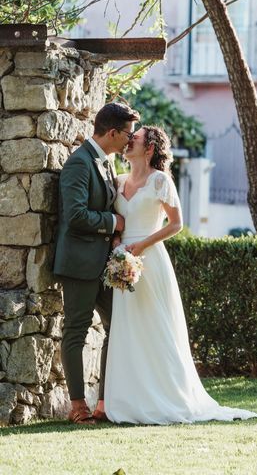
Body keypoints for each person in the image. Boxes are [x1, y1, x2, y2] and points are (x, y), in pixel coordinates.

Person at [104, 126, 257, 424]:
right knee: (128, 330)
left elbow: (176, 224)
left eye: (135, 138)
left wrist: (141, 245)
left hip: (150, 260)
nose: (129, 141)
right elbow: (118, 221)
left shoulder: (160, 181)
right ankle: (130, 400)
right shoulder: (119, 180)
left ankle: (169, 397)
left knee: (156, 329)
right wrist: (118, 245)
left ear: (149, 148)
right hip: (122, 260)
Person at [53, 102, 140, 425]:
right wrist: (112, 223)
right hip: (78, 264)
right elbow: (75, 216)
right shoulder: (79, 163)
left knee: (119, 327)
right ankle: (78, 406)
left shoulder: (104, 163)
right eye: (127, 135)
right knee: (75, 332)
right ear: (113, 132)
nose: (130, 141)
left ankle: (104, 401)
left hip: (103, 266)